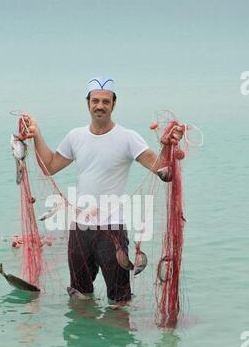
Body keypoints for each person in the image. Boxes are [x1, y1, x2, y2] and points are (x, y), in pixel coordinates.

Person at [21, 77, 183, 305]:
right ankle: (84, 339)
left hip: (112, 231)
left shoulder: (128, 137)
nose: (100, 106)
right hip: (79, 230)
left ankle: (117, 338)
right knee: (79, 297)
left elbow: (161, 170)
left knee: (119, 302)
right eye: (95, 101)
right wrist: (36, 134)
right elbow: (49, 166)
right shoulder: (75, 136)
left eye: (106, 101)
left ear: (114, 105)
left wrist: (167, 145)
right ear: (87, 103)